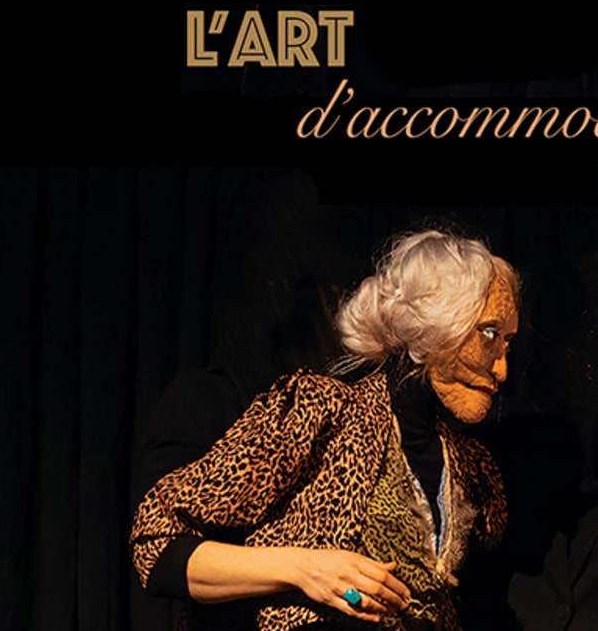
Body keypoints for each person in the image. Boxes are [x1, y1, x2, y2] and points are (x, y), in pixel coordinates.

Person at [130, 227, 519, 630]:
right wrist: (306, 568)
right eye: (489, 334)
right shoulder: (321, 413)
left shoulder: (472, 469)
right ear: (437, 320)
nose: (502, 369)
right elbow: (157, 544)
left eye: (508, 341)